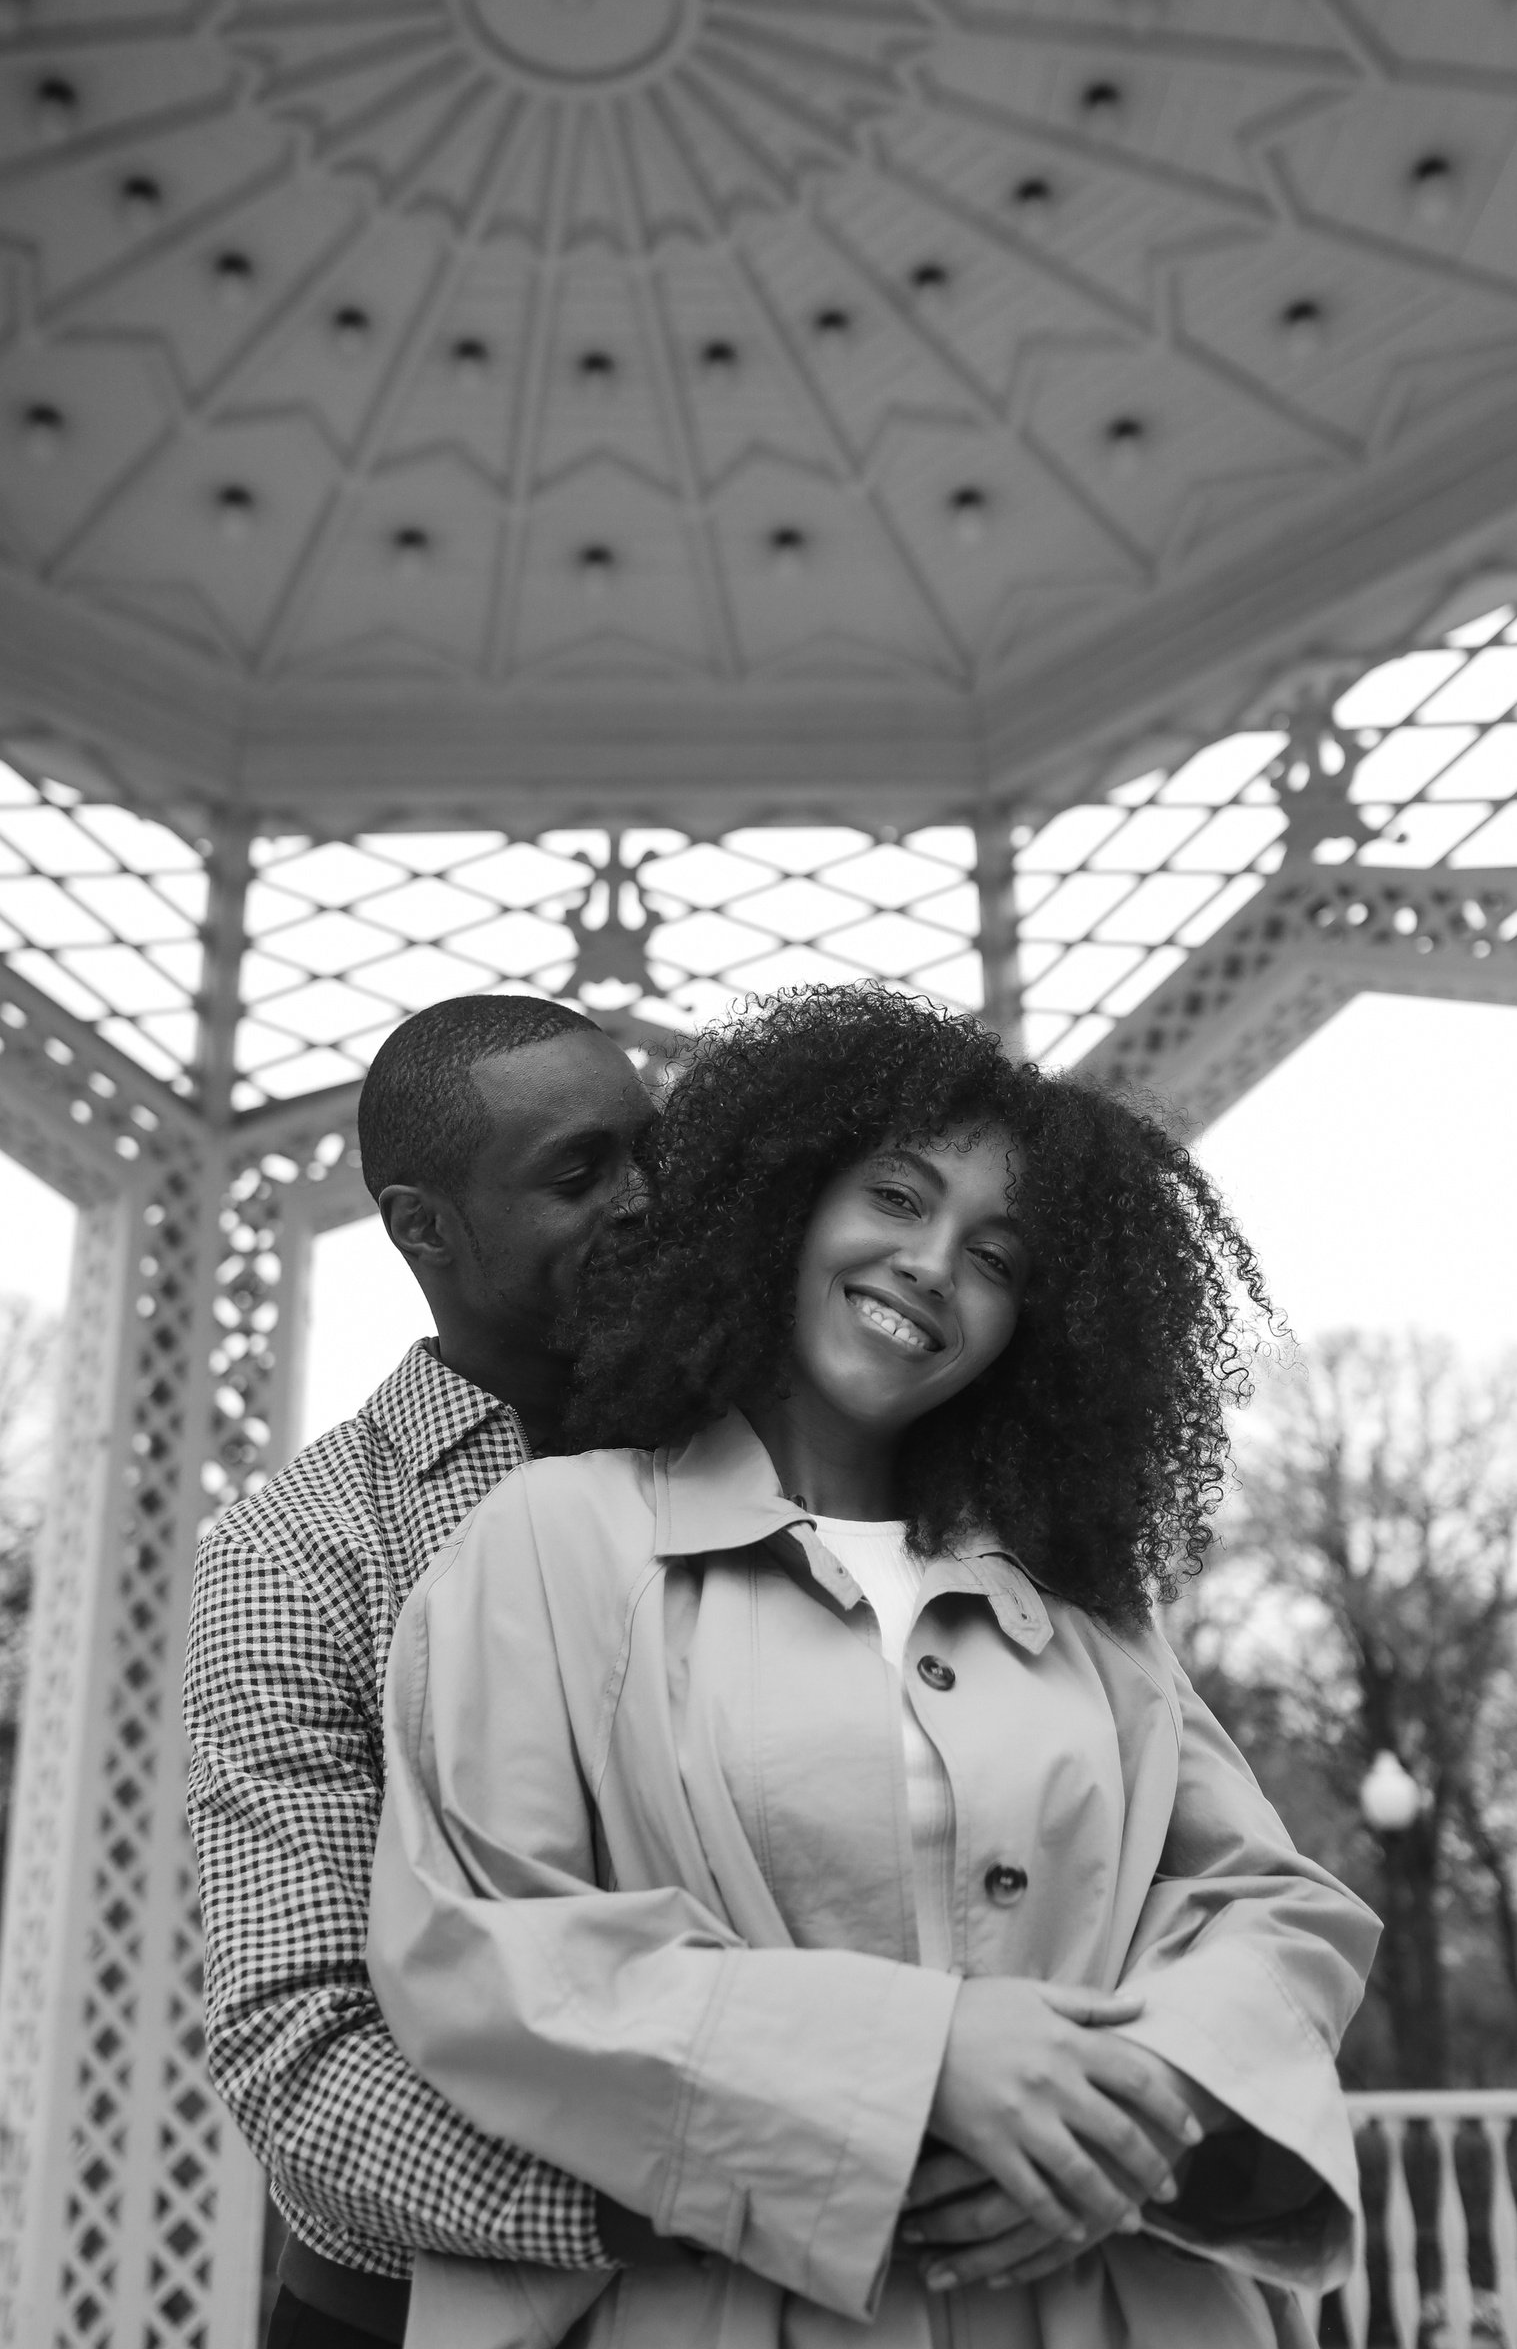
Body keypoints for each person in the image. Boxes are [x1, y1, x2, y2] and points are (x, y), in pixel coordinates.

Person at [368, 985, 1380, 2349]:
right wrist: (927, 2067)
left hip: (1115, 2303)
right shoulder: (556, 1537)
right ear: (786, 1203)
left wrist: (1147, 2095)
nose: (931, 1264)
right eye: (898, 1199)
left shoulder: (1081, 1600)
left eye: (999, 1258)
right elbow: (484, 1948)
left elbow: (1270, 1904)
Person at [184, 994, 659, 2349]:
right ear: (422, 1228)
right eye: (580, 1173)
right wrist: (703, 2193)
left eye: (652, 1153)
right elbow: (298, 2041)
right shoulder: (296, 1550)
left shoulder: (785, 1444)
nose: (643, 1199)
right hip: (411, 2308)